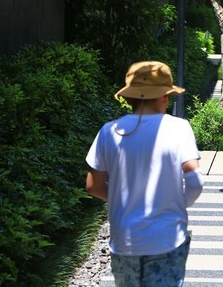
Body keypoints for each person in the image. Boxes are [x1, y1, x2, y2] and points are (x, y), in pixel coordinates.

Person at [84, 61, 204, 287]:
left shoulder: (109, 131)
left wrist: (125, 198)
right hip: (166, 236)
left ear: (129, 98)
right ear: (165, 97)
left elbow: (93, 186)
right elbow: (195, 182)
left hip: (124, 239)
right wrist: (176, 203)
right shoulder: (179, 128)